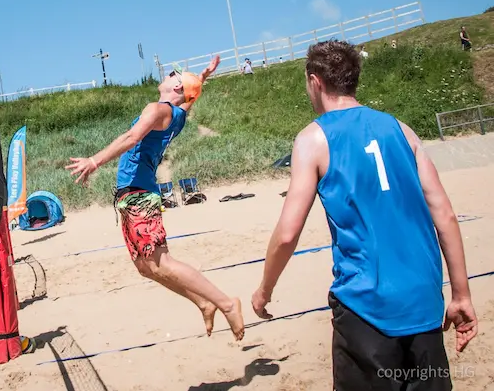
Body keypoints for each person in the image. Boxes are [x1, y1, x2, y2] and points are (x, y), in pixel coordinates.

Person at [250, 40, 477, 390]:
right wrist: (461, 295)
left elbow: (286, 233)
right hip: (424, 302)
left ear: (315, 82)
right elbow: (444, 214)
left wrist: (264, 289)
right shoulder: (402, 129)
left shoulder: (314, 138)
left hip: (365, 308)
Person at [66, 56, 244, 340]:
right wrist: (203, 76)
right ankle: (203, 302)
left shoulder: (158, 109)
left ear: (176, 87)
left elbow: (131, 137)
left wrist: (94, 161)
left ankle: (226, 303)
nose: (170, 73)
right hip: (132, 196)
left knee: (161, 262)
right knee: (145, 268)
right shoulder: (176, 116)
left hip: (139, 195)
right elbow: (189, 98)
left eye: (175, 73)